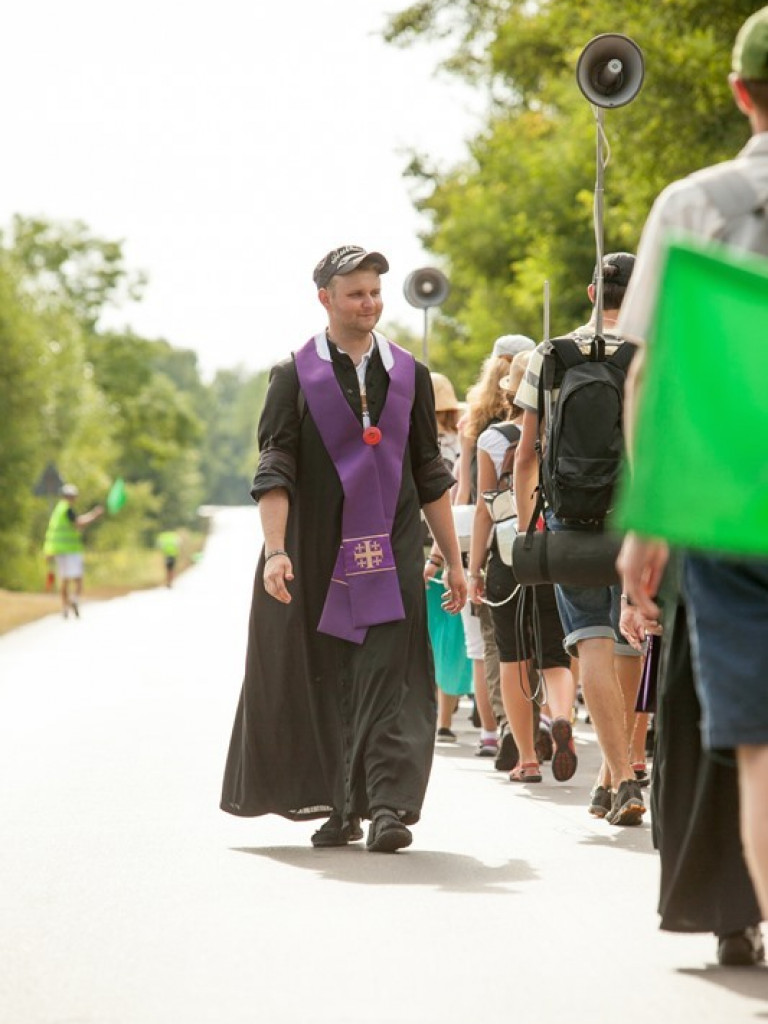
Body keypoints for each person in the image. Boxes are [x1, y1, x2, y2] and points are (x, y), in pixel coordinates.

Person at [220, 245, 466, 854]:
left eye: (376, 292)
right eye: (356, 293)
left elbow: (428, 473)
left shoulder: (408, 373)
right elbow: (274, 465)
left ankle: (387, 807)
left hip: (393, 550)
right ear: (325, 298)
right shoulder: (292, 376)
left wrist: (455, 562)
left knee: (391, 677)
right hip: (316, 552)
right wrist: (276, 551)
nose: (370, 304)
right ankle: (338, 803)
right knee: (327, 678)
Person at [617, 7, 768, 961]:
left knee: (757, 748)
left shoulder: (696, 201)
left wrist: (649, 523)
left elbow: (648, 371)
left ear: (739, 91)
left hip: (733, 510)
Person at [514, 254, 646, 825]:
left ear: (592, 290)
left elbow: (525, 456)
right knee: (632, 638)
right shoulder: (650, 354)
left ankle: (615, 777)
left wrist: (527, 529)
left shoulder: (551, 355)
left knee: (590, 639)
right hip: (635, 518)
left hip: (569, 517)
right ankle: (623, 770)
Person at [468, 351, 576, 783]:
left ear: (510, 390)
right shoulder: (563, 433)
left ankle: (527, 758)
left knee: (513, 656)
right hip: (554, 549)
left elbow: (482, 509)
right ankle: (561, 716)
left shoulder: (493, 439)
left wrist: (473, 569)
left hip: (509, 554)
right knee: (555, 653)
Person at [424, 372, 473, 743]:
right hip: (453, 542)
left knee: (427, 633)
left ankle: (428, 710)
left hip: (422, 547)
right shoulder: (460, 443)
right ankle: (445, 716)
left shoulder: (420, 443)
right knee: (452, 636)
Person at [43, 483, 104, 618]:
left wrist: (48, 551)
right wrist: (94, 514)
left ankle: (65, 607)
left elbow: (53, 533)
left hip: (58, 550)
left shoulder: (58, 510)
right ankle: (74, 600)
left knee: (64, 579)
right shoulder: (67, 509)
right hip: (71, 549)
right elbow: (79, 523)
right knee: (77, 578)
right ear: (71, 497)